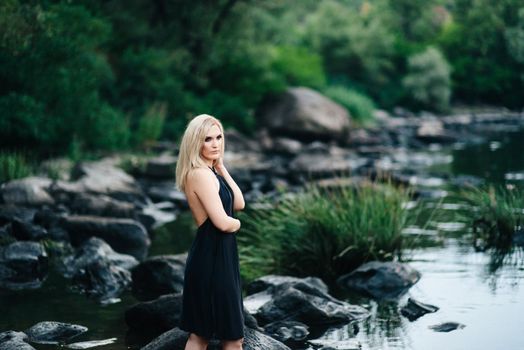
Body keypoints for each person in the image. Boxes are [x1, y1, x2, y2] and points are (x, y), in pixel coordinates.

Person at [175, 114, 245, 350]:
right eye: (208, 139)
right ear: (196, 143)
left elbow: (239, 204)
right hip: (212, 259)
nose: (215, 143)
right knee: (211, 336)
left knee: (215, 335)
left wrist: (222, 168)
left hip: (219, 257)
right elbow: (224, 223)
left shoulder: (210, 172)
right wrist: (238, 225)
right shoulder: (200, 175)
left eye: (219, 137)